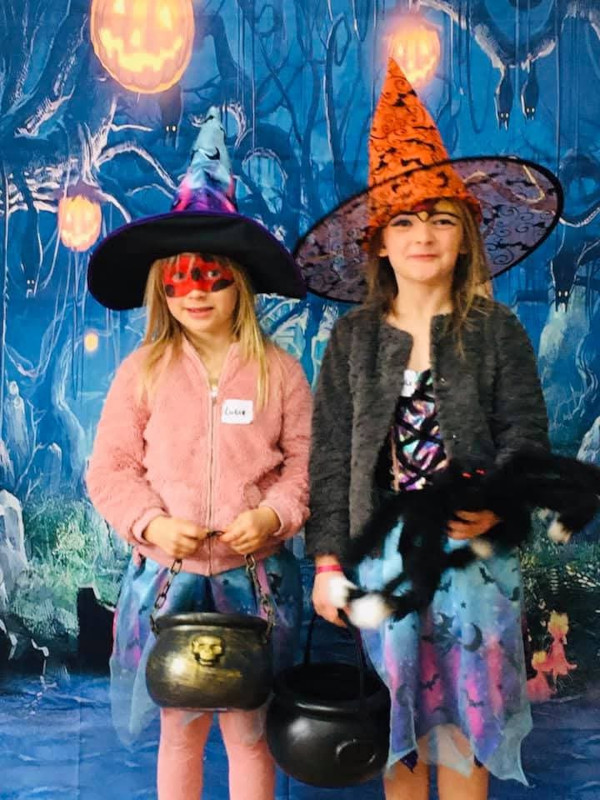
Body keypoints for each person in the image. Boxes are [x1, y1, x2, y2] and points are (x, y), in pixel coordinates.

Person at [297, 60, 562, 799]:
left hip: (475, 565)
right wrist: (327, 563)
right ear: (379, 243)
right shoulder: (353, 340)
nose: (423, 235)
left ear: (466, 236)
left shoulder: (496, 331)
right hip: (383, 561)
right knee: (400, 730)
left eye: (442, 219)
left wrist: (498, 503)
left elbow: (526, 438)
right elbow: (328, 459)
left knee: (468, 722)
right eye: (404, 221)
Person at [86, 109, 311, 800]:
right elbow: (110, 469)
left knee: (250, 728)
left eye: (212, 276)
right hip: (168, 583)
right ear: (161, 286)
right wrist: (151, 523)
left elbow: (306, 464)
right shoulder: (141, 373)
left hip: (255, 584)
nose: (196, 292)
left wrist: (273, 516)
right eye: (179, 279)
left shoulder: (281, 373)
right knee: (180, 727)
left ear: (239, 279)